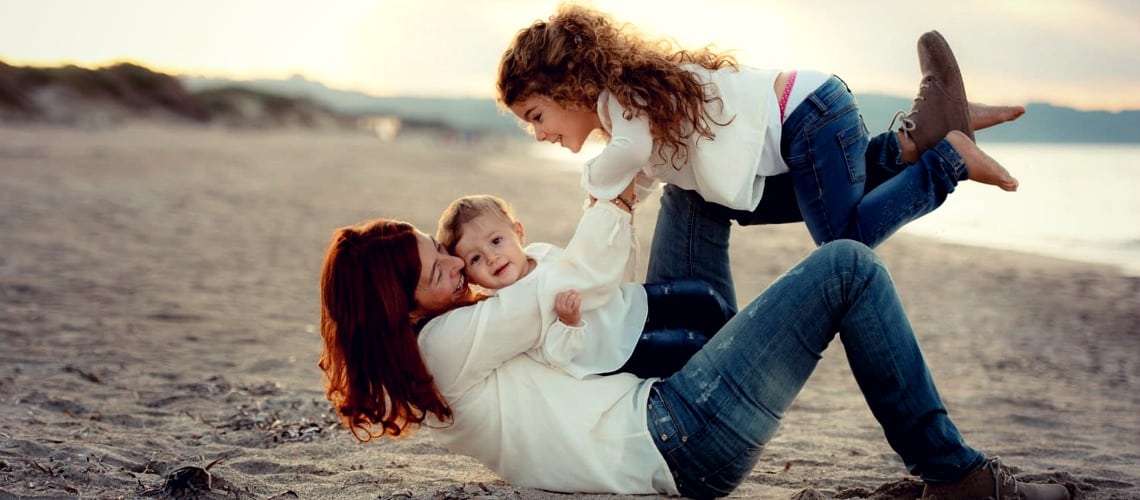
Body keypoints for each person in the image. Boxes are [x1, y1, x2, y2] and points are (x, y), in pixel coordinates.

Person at [317, 209, 1071, 499]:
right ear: (400, 303)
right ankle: (960, 478)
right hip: (683, 435)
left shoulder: (439, 343)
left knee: (693, 191)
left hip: (670, 392)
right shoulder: (447, 344)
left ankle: (872, 172)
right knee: (848, 266)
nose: (453, 262)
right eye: (433, 265)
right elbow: (566, 280)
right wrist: (610, 188)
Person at [496, 5, 1028, 306]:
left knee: (844, 243)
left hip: (808, 116)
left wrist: (593, 179)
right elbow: (658, 159)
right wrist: (636, 185)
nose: (538, 134)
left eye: (536, 116)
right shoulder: (631, 104)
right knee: (821, 202)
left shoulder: (619, 98)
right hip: (812, 114)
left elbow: (632, 149)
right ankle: (926, 129)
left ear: (567, 86)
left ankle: (948, 162)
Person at [435, 193, 732, 379]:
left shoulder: (540, 252)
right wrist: (568, 324)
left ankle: (738, 330)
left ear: (518, 233)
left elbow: (585, 264)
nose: (492, 257)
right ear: (471, 277)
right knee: (689, 345)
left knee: (702, 297)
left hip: (625, 306)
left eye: (496, 241)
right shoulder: (510, 305)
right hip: (614, 349)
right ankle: (737, 369)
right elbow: (552, 357)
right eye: (475, 258)